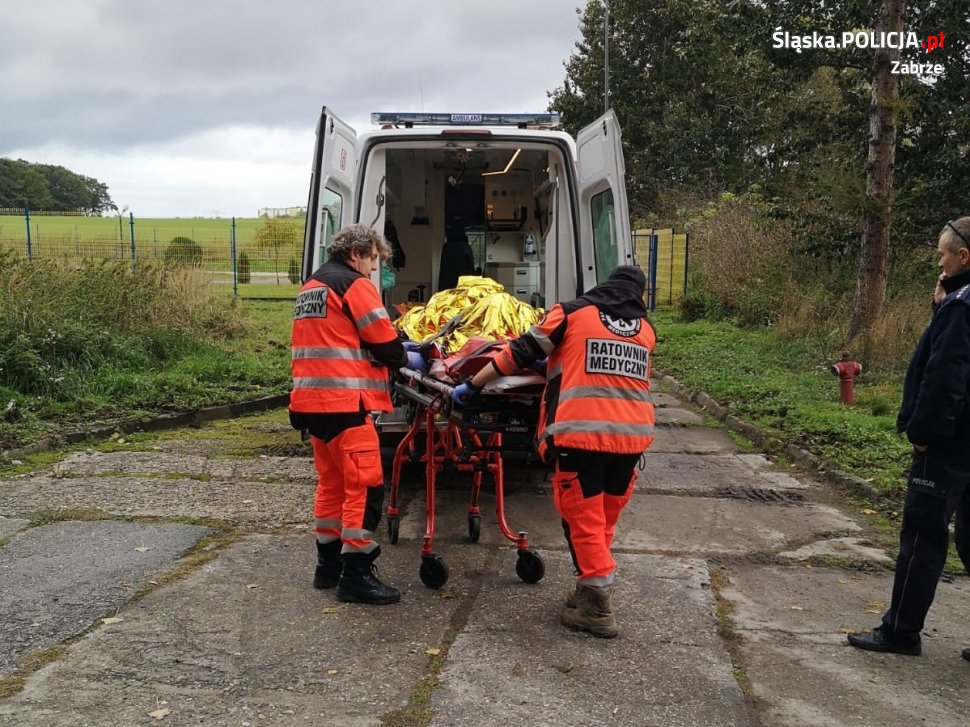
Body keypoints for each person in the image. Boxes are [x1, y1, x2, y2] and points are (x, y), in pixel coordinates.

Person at [452, 265, 656, 637]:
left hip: (582, 436)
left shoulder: (572, 312)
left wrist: (472, 384)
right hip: (632, 439)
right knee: (603, 520)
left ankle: (597, 607)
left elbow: (519, 353)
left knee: (583, 519)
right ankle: (589, 588)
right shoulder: (646, 330)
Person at [848, 216, 970, 659]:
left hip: (947, 444)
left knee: (922, 537)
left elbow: (945, 377)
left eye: (942, 255)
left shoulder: (962, 307)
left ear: (963, 257)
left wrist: (923, 434)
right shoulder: (955, 304)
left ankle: (900, 631)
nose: (939, 262)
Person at [289, 223, 425, 606]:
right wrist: (405, 355)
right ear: (357, 254)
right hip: (347, 404)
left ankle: (327, 568)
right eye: (374, 261)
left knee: (332, 485)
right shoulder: (353, 284)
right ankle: (356, 575)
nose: (373, 270)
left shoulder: (311, 287)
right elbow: (381, 339)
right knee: (364, 488)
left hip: (312, 404)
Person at [437, 227, 476, 291]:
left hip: (446, 283)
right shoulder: (464, 247)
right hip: (461, 283)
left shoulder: (445, 247)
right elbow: (470, 266)